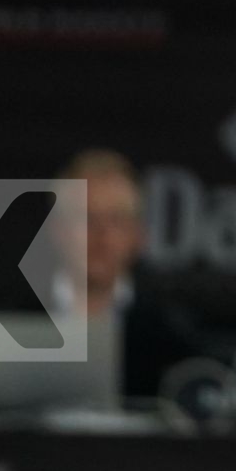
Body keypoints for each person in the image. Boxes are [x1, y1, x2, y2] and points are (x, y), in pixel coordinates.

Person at [51, 149, 202, 400]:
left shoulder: (171, 339)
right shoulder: (4, 328)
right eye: (86, 217)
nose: (102, 236)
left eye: (117, 220)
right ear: (57, 229)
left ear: (138, 236)